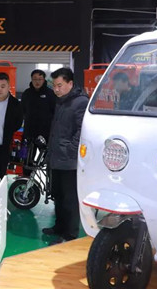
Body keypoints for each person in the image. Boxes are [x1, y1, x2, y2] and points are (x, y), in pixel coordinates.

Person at [42, 67, 89, 244]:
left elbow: (82, 131)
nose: (56, 89)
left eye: (60, 85)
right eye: (54, 85)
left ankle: (70, 234)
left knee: (69, 199)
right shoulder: (61, 101)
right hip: (57, 157)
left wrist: (70, 149)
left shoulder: (80, 102)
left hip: (70, 161)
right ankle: (59, 227)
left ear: (70, 83)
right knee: (58, 196)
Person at [21, 69, 56, 142]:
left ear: (44, 80)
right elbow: (22, 110)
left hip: (45, 132)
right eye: (35, 79)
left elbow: (54, 111)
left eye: (40, 79)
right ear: (31, 80)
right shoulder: (26, 93)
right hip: (29, 131)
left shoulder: (50, 94)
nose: (37, 81)